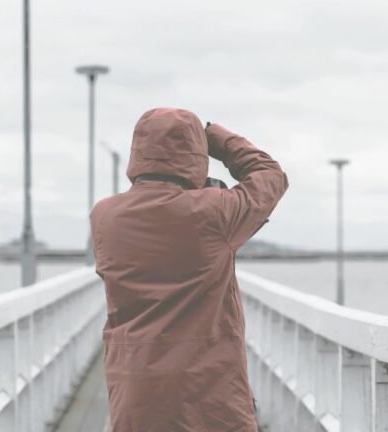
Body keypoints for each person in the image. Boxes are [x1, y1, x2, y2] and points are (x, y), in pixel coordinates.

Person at [90, 107, 288, 431]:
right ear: (195, 152)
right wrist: (215, 137)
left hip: (135, 390)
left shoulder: (104, 216)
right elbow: (270, 175)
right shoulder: (214, 212)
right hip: (209, 392)